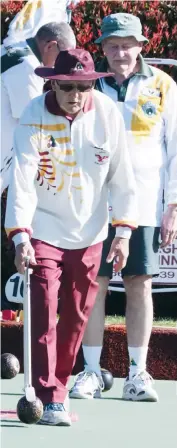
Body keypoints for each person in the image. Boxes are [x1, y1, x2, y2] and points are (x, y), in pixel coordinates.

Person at [5, 48, 138, 425]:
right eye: (66, 87)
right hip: (43, 227)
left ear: (92, 85)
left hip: (91, 230)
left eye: (83, 87)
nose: (75, 95)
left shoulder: (108, 115)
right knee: (44, 304)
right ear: (53, 83)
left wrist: (124, 232)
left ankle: (58, 384)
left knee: (77, 315)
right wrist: (21, 237)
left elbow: (123, 178)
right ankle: (51, 395)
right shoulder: (33, 114)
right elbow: (23, 181)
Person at [70, 13, 177, 402]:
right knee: (93, 286)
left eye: (127, 44)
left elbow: (175, 150)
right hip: (94, 205)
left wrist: (173, 205)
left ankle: (138, 373)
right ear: (102, 48)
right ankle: (92, 371)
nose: (120, 53)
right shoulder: (89, 87)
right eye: (112, 45)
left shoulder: (163, 86)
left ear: (141, 46)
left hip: (146, 203)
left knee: (139, 284)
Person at [1, 21, 76, 193]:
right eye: (64, 56)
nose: (63, 64)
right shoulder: (27, 67)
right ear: (50, 46)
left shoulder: (12, 49)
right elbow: (32, 119)